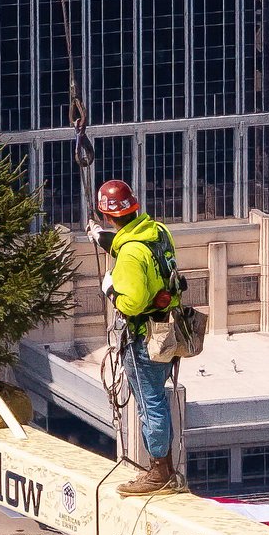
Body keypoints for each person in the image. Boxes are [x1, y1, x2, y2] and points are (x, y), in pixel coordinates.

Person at [92, 179, 187, 496]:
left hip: (142, 336)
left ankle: (159, 472)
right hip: (167, 331)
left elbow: (132, 300)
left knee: (150, 404)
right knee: (157, 399)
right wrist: (110, 243)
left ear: (107, 217)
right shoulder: (158, 232)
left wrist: (111, 290)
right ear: (134, 207)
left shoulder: (130, 254)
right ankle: (167, 468)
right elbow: (146, 260)